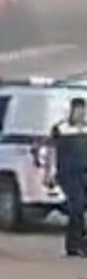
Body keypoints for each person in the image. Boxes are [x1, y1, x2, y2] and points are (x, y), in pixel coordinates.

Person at [48, 97, 87, 257]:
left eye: (83, 111)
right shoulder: (61, 128)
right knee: (76, 206)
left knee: (82, 208)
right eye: (78, 110)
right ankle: (73, 245)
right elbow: (51, 152)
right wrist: (49, 173)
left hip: (85, 172)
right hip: (68, 174)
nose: (81, 114)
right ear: (72, 110)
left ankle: (82, 243)